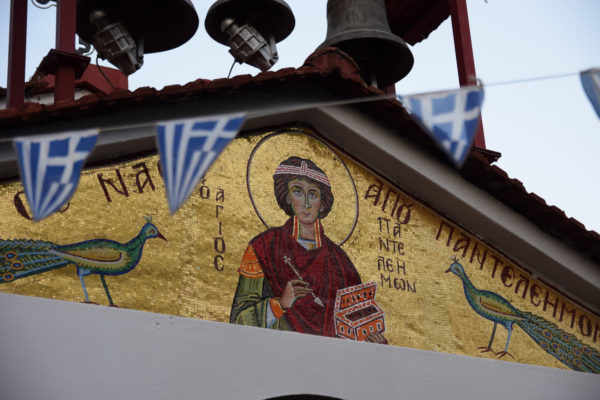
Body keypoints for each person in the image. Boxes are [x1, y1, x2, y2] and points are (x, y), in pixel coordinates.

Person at [230, 156, 386, 343]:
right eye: (297, 191)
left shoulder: (340, 262)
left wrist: (370, 341)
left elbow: (359, 320)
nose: (306, 203)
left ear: (322, 203)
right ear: (287, 197)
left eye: (313, 194)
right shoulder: (263, 248)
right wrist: (280, 303)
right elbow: (238, 321)